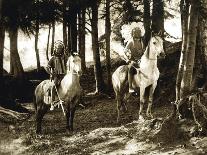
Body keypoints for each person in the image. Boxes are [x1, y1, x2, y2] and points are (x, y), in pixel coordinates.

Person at [46, 40, 67, 110]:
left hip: (65, 75)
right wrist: (51, 73)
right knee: (53, 87)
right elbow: (47, 67)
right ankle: (52, 103)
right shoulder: (52, 58)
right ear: (55, 49)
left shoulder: (64, 57)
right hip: (57, 76)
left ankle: (78, 100)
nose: (59, 50)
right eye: (58, 48)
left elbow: (69, 64)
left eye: (60, 48)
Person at [123, 27, 144, 93]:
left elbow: (143, 50)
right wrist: (127, 58)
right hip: (133, 59)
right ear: (133, 34)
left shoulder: (142, 42)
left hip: (141, 59)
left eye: (138, 32)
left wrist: (143, 52)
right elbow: (125, 51)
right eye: (135, 33)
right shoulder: (131, 42)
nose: (137, 34)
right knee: (131, 67)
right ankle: (130, 87)